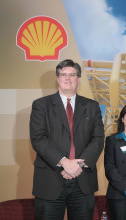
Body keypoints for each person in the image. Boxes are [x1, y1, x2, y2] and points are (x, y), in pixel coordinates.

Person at [30, 59, 105, 220]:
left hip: (82, 180)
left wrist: (77, 165)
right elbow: (38, 139)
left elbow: (98, 139)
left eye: (72, 75)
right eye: (63, 75)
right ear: (57, 78)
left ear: (78, 79)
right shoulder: (41, 105)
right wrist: (64, 162)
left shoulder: (92, 106)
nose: (68, 78)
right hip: (50, 181)